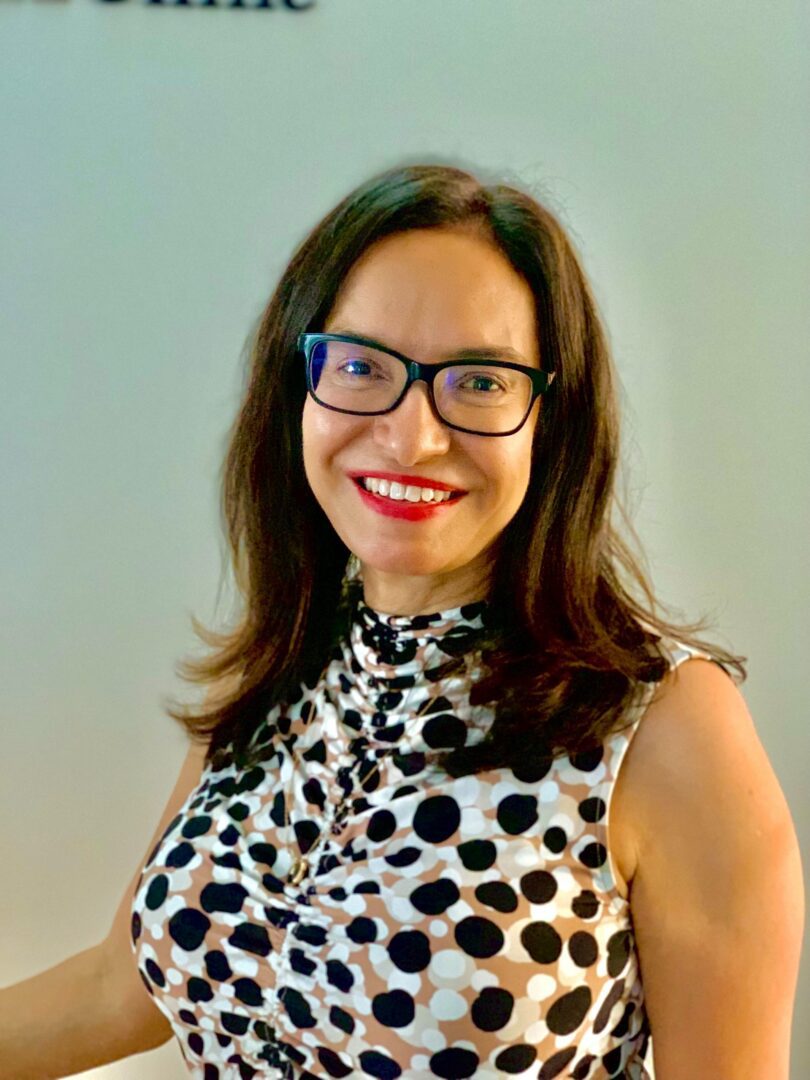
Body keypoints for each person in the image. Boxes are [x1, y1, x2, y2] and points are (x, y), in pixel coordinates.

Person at [1, 162, 804, 1080]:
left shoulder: (661, 724)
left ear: (552, 417)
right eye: (360, 366)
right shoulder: (282, 668)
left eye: (480, 382)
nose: (412, 435)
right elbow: (122, 988)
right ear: (298, 390)